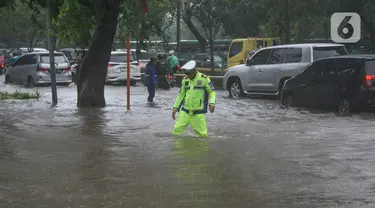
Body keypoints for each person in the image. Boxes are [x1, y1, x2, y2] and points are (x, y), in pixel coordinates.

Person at [171, 60, 216, 137]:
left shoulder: (204, 79)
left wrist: (212, 103)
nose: (188, 76)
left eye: (189, 74)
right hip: (185, 112)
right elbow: (181, 95)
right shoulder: (185, 80)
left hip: (198, 113)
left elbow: (212, 92)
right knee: (175, 133)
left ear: (194, 71)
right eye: (186, 74)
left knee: (203, 136)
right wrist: (175, 108)